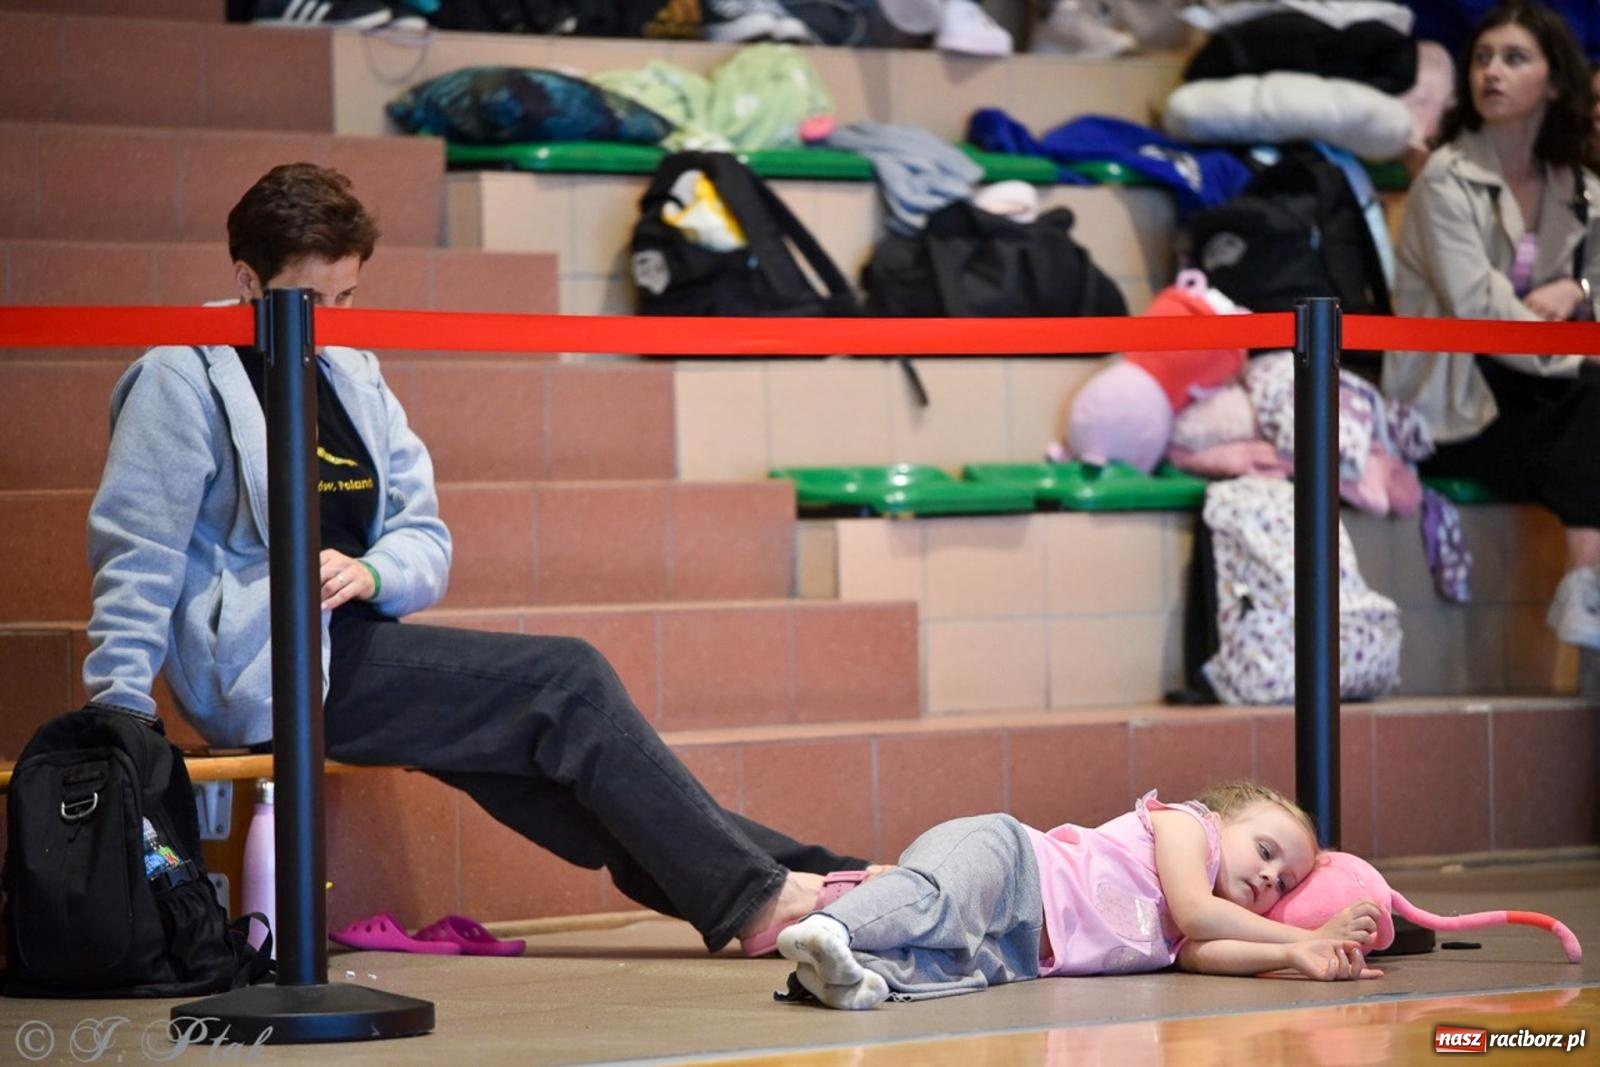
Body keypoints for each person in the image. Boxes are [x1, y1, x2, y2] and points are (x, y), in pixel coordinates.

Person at [81, 161, 870, 956]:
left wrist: (374, 571)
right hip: (266, 666)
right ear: (248, 281)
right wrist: (119, 708)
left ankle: (819, 881)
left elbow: (425, 537)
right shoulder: (179, 376)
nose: (331, 319)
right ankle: (764, 895)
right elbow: (137, 549)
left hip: (359, 644)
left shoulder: (352, 368)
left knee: (556, 774)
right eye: (310, 300)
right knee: (569, 680)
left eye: (347, 296)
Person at [1380, 3, 1600, 680]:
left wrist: (1579, 292)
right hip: (1457, 405)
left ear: (1555, 83)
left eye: (1514, 58)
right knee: (1592, 399)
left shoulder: (1579, 184)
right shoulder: (1445, 179)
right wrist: (1578, 350)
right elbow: (1480, 311)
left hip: (1545, 397)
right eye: (1482, 58)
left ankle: (1589, 591)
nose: (1492, 73)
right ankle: (1588, 583)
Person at [772, 782, 1384, 1009]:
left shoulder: (1183, 936)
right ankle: (834, 926)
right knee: (938, 901)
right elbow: (1199, 913)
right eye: (1267, 850)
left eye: (1285, 884)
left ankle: (833, 976)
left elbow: (1204, 953)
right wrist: (1307, 933)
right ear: (1225, 821)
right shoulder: (1189, 826)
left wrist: (1294, 957)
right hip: (1013, 861)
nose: (1270, 878)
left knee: (947, 967)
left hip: (1024, 949)